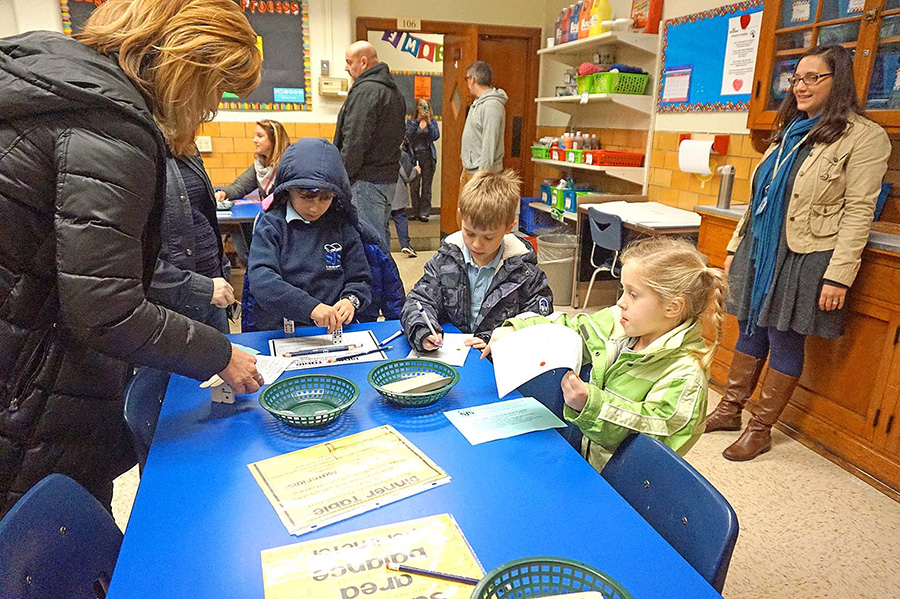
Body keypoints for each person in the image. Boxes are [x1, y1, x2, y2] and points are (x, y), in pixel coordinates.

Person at [0, 0, 264, 515]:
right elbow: (105, 308)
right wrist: (218, 352)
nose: (210, 111)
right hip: (25, 398)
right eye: (214, 90)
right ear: (186, 64)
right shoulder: (109, 123)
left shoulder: (54, 82)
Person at [704, 45, 891, 461]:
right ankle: (730, 409)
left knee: (784, 338)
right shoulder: (790, 130)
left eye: (812, 78)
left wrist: (840, 274)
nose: (800, 86)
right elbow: (760, 199)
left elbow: (860, 210)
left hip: (807, 253)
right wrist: (737, 245)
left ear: (836, 81)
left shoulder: (864, 137)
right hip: (760, 247)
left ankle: (760, 428)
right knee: (750, 328)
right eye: (796, 78)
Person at [487, 237, 728, 472]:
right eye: (623, 290)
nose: (621, 302)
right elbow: (573, 329)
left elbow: (653, 437)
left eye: (633, 294)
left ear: (672, 307)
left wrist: (591, 404)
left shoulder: (685, 375)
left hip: (621, 485)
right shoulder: (620, 321)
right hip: (585, 461)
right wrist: (519, 329)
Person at [401, 170, 552, 352]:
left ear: (508, 228)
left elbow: (540, 318)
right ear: (461, 217)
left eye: (488, 237)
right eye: (469, 233)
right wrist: (424, 331)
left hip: (498, 360)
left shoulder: (525, 272)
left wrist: (501, 336)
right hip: (451, 355)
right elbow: (419, 301)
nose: (477, 244)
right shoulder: (445, 260)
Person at [248, 138, 372, 333]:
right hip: (282, 330)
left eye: (326, 199)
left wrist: (351, 300)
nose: (315, 208)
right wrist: (311, 308)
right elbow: (262, 281)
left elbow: (361, 279)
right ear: (287, 189)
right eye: (306, 197)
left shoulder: (342, 227)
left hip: (333, 330)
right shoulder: (271, 226)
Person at [334, 41, 406, 251]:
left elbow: (355, 141)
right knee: (380, 238)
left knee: (369, 245)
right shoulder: (393, 92)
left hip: (366, 181)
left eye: (349, 62)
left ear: (363, 62)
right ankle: (385, 283)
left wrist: (341, 178)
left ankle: (378, 284)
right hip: (387, 180)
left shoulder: (366, 91)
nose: (346, 68)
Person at [215, 119, 291, 265]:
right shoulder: (260, 165)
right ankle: (253, 265)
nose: (254, 140)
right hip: (268, 220)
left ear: (274, 139)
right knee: (239, 230)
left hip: (286, 224)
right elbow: (239, 187)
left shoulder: (288, 164)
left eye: (260, 136)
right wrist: (222, 193)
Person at [460, 60, 508, 188]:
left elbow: (489, 145)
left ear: (473, 79)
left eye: (467, 79)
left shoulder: (492, 106)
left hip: (481, 176)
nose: (467, 84)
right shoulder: (478, 103)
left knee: (478, 208)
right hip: (470, 171)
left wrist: (481, 181)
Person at [405, 98, 440, 222]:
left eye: (425, 106)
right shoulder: (411, 122)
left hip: (428, 157)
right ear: (417, 108)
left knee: (426, 186)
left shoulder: (432, 121)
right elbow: (408, 135)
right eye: (421, 106)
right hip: (414, 157)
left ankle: (424, 212)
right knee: (414, 186)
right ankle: (415, 211)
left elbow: (435, 136)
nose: (423, 109)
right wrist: (418, 120)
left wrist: (429, 121)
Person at [393, 145, 418, 257]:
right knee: (400, 217)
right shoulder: (401, 155)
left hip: (379, 192)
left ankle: (382, 249)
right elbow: (408, 176)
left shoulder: (375, 150)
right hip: (397, 193)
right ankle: (405, 244)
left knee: (382, 223)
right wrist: (416, 171)